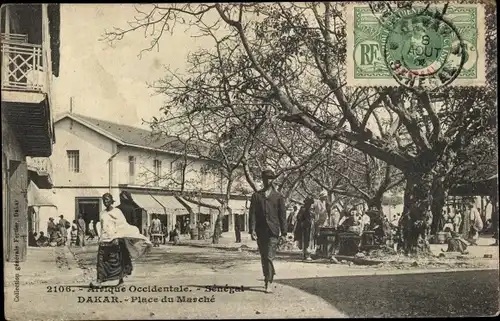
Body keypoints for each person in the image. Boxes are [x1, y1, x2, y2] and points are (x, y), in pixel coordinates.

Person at [90, 193, 152, 288]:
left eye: (107, 199)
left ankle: (121, 281)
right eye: (103, 200)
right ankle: (99, 281)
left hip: (114, 240)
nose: (105, 201)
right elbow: (102, 226)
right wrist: (100, 236)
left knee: (117, 261)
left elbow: (122, 225)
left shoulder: (117, 212)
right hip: (104, 240)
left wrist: (118, 237)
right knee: (101, 260)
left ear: (111, 200)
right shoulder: (102, 213)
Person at [248, 168, 287, 294]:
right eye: (266, 178)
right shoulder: (256, 196)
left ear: (273, 180)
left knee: (269, 256)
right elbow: (252, 214)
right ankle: (269, 275)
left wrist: (284, 233)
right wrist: (252, 230)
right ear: (262, 180)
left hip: (273, 231)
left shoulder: (279, 196)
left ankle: (268, 282)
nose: (268, 181)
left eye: (271, 178)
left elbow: (282, 216)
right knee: (264, 257)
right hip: (260, 231)